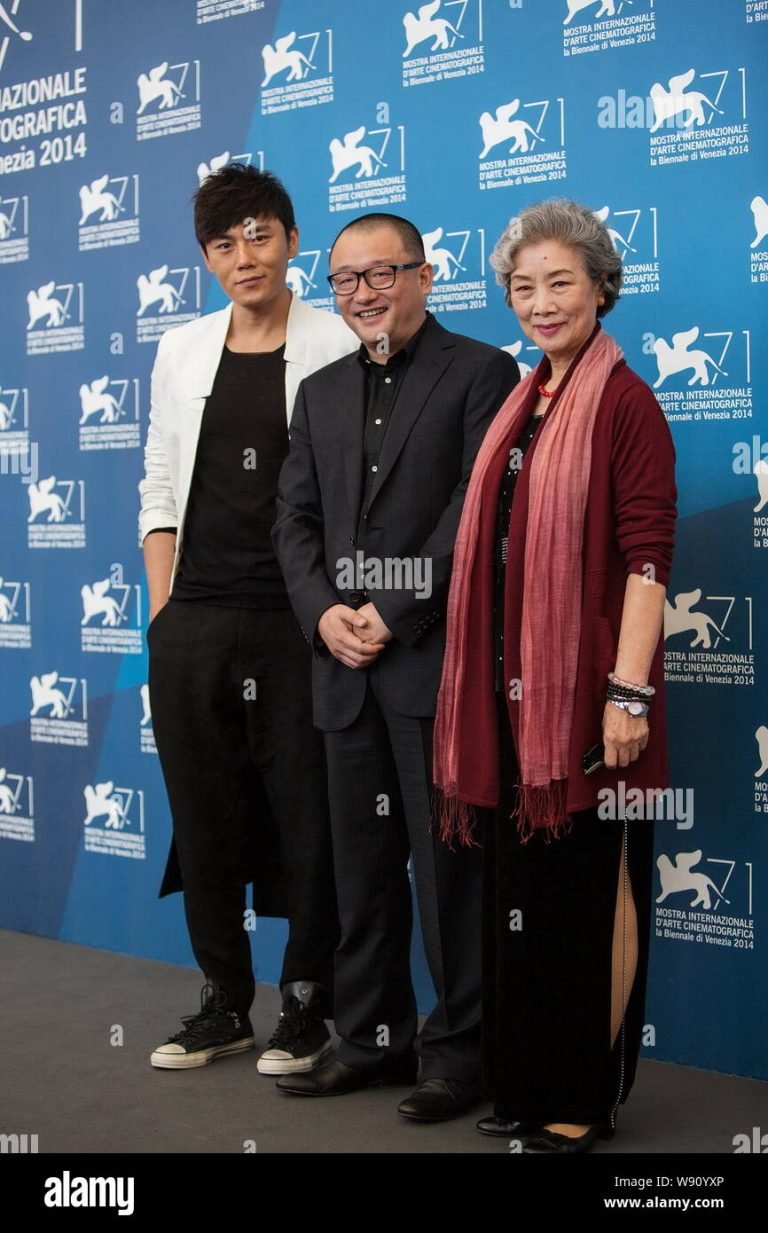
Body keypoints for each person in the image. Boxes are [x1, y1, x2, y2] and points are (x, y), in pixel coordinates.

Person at [433, 198, 677, 1152]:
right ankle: (526, 1083)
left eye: (560, 283)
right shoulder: (520, 399)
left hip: (591, 706)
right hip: (511, 709)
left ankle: (582, 1097)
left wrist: (627, 694)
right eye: (522, 287)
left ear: (601, 287)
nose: (539, 302)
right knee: (521, 906)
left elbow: (647, 559)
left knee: (588, 897)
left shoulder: (627, 401)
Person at [272, 212, 519, 1121]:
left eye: (383, 273)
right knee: (360, 868)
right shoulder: (321, 391)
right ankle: (372, 1038)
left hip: (433, 667)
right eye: (344, 280)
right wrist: (325, 613)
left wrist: (393, 606)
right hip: (342, 667)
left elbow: (475, 508)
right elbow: (292, 520)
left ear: (425, 275)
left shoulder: (483, 372)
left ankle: (463, 1055)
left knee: (450, 872)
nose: (364, 292)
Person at [139, 164, 357, 1074]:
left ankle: (306, 1004)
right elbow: (156, 480)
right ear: (207, 258)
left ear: (292, 241)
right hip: (194, 621)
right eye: (224, 245)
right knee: (205, 815)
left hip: (298, 621)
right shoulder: (181, 348)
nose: (244, 256)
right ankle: (224, 1001)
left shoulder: (340, 339)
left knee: (309, 816)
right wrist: (163, 613)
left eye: (259, 235)